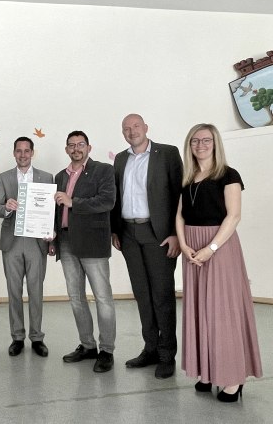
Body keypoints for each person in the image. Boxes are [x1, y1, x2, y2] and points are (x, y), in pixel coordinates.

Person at [176, 123, 262, 402]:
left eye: (206, 140)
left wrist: (210, 248)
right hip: (192, 249)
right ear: (189, 145)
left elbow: (233, 216)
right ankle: (208, 371)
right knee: (200, 310)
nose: (200, 145)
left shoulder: (228, 174)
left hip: (219, 246)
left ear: (215, 144)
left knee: (222, 312)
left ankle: (232, 378)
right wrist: (186, 245)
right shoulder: (187, 177)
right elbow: (180, 215)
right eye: (195, 141)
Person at [110, 113, 182, 379]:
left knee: (162, 296)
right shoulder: (120, 159)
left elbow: (178, 194)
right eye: (126, 128)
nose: (132, 132)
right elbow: (116, 197)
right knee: (142, 294)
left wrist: (176, 233)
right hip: (129, 233)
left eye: (136, 126)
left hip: (159, 233)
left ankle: (167, 355)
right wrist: (115, 229)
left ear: (146, 128)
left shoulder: (168, 154)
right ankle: (150, 348)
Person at [53, 131, 117, 373]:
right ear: (66, 149)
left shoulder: (103, 170)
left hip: (93, 242)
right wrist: (53, 237)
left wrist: (74, 202)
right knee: (76, 297)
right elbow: (56, 210)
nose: (76, 148)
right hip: (67, 241)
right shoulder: (60, 176)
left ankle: (107, 350)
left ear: (89, 147)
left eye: (80, 144)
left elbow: (107, 201)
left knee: (103, 297)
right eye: (71, 145)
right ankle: (88, 345)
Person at [0, 137, 53, 357]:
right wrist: (7, 208)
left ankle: (37, 337)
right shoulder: (4, 178)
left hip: (37, 242)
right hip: (12, 241)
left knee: (36, 291)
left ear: (32, 153)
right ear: (13, 153)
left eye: (26, 151)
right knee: (14, 291)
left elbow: (51, 213)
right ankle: (17, 337)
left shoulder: (46, 178)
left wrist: (52, 240)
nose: (22, 154)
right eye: (18, 151)